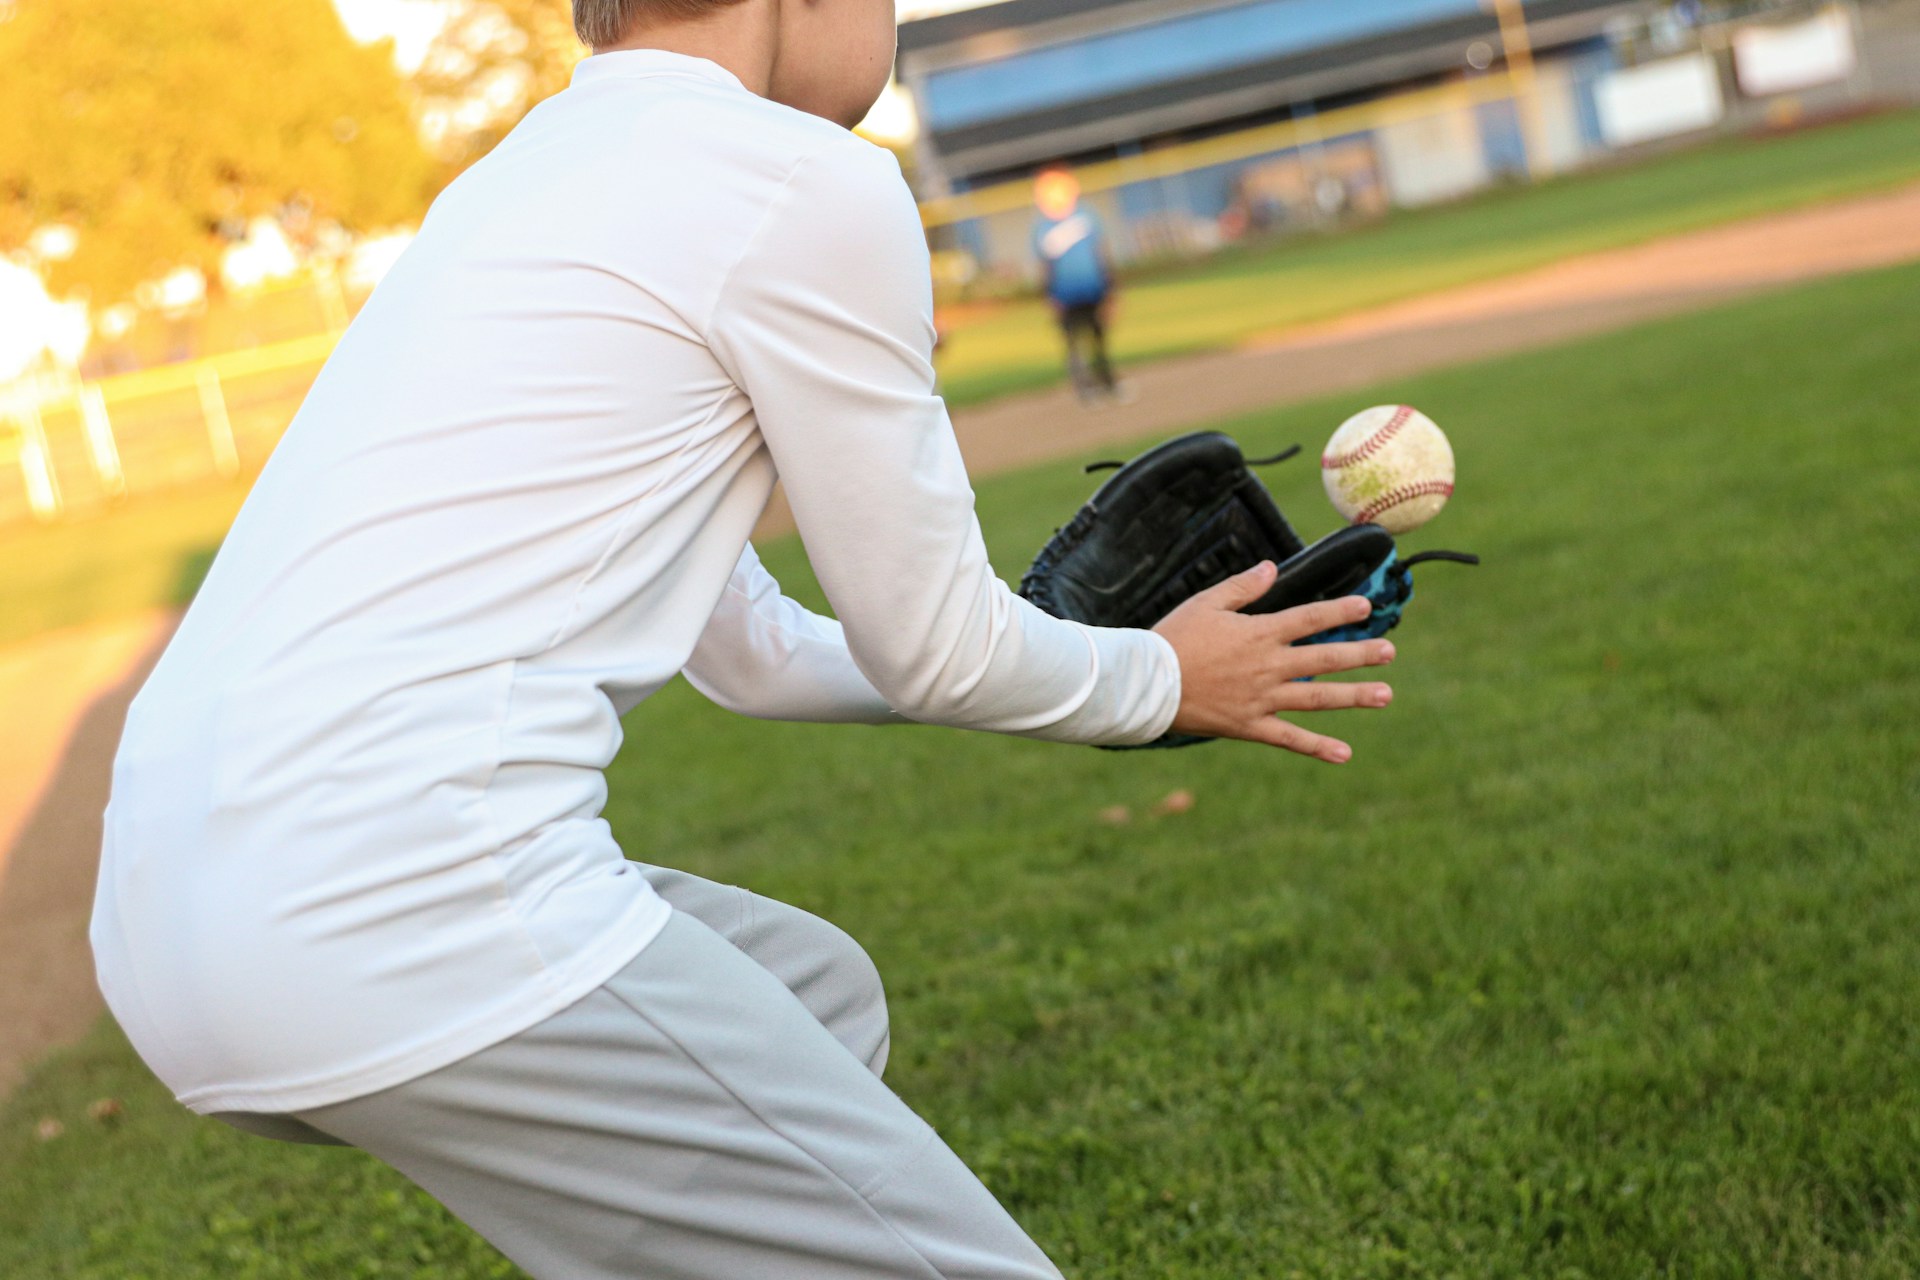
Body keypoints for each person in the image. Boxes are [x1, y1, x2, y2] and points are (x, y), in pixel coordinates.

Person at [90, 0, 1397, 1275]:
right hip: (410, 908)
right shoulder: (798, 182)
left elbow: (754, 650)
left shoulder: (509, 185)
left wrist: (1063, 645)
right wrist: (1158, 678)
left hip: (174, 927)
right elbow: (939, 650)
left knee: (810, 995)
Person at [1031, 166, 1124, 406]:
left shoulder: (1086, 215)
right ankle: (1085, 390)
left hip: (1093, 289)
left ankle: (1108, 383)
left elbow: (1101, 251)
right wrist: (1049, 296)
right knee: (1074, 346)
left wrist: (1111, 288)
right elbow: (1044, 265)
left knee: (1099, 340)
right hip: (1065, 295)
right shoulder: (1042, 227)